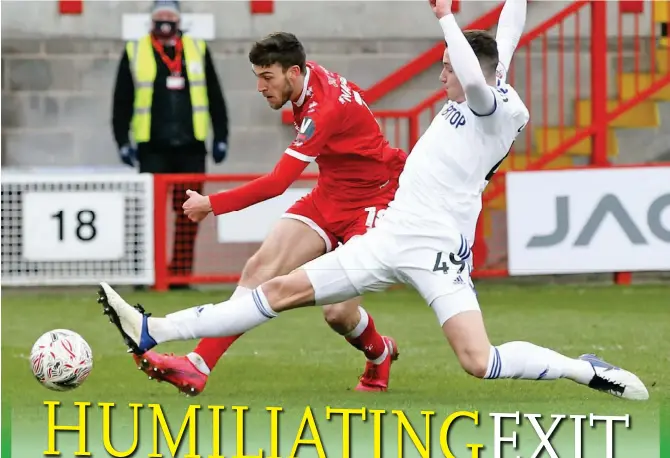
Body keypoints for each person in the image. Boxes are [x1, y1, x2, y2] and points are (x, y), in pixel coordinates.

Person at [98, 0, 649, 401]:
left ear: (465, 72)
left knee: (479, 362)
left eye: (446, 68)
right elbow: (507, 33)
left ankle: (581, 369)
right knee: (277, 287)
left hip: (435, 250)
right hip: (390, 235)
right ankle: (158, 331)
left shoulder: (491, 108)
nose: (440, 75)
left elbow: (477, 81)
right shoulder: (488, 77)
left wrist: (445, 16)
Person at [126, 31, 408, 395]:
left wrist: (212, 204)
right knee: (259, 269)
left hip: (374, 203)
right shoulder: (307, 76)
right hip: (330, 195)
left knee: (338, 314)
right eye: (257, 76)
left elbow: (278, 183)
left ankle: (379, 352)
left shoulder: (324, 109)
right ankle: (198, 365)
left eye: (266, 77)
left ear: (293, 72)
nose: (259, 86)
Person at [112, 0, 229, 287]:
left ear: (179, 20)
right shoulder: (135, 49)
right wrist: (122, 141)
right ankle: (147, 273)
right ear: (152, 20)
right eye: (160, 15)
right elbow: (122, 101)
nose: (165, 20)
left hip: (191, 146)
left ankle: (179, 274)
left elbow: (215, 96)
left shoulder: (197, 50)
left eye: (170, 15)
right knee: (148, 215)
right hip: (153, 147)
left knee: (190, 213)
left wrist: (222, 136)